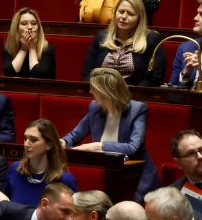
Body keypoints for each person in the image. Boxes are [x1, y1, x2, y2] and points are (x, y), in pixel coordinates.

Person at [63, 67, 158, 198]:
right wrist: (62, 142)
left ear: (106, 91)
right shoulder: (95, 107)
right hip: (104, 172)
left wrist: (99, 146)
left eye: (93, 88)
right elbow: (74, 136)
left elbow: (133, 148)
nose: (90, 91)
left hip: (133, 178)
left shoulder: (137, 110)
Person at [80, 0, 165, 86]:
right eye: (121, 12)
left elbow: (154, 78)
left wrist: (132, 93)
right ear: (115, 13)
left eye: (130, 14)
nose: (124, 17)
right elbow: (87, 74)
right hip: (100, 91)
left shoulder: (151, 39)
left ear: (139, 19)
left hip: (134, 92)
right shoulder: (101, 37)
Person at [1, 118, 78, 204]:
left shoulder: (65, 180)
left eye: (33, 140)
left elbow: (74, 211)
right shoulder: (15, 169)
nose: (26, 144)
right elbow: (4, 205)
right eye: (25, 139)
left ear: (49, 145)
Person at [3, 9, 56, 79]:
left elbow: (37, 76)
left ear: (38, 28)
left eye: (34, 23)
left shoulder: (47, 48)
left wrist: (32, 48)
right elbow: (9, 74)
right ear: (16, 28)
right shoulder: (8, 47)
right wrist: (23, 49)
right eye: (24, 23)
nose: (30, 27)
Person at [170, 0, 202, 89]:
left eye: (201, 14)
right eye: (197, 13)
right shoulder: (186, 48)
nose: (195, 18)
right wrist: (185, 74)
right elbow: (172, 88)